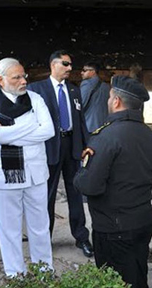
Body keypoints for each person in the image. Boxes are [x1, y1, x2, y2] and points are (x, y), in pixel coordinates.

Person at [74, 75, 152, 288]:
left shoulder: (105, 137)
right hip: (143, 222)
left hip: (114, 229)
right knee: (137, 276)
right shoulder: (150, 135)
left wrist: (78, 177)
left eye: (110, 97)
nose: (108, 101)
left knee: (115, 286)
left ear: (116, 102)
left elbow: (90, 186)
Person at [0, 58, 54, 276]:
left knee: (40, 226)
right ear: (0, 80)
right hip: (3, 175)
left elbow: (48, 131)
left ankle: (44, 271)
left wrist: (8, 134)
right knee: (9, 229)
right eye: (16, 77)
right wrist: (30, 127)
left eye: (24, 76)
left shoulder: (35, 99)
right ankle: (15, 274)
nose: (23, 81)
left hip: (36, 173)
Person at [27, 50, 93, 257]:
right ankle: (44, 239)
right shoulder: (36, 89)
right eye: (66, 64)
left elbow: (81, 121)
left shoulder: (74, 91)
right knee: (46, 195)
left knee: (76, 193)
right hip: (48, 148)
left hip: (72, 146)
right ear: (53, 65)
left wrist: (85, 144)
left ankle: (81, 237)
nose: (70, 68)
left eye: (70, 64)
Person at [80, 61, 110, 133]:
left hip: (89, 126)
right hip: (104, 126)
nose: (81, 72)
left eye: (84, 70)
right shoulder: (106, 87)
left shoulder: (86, 84)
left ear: (93, 72)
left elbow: (81, 105)